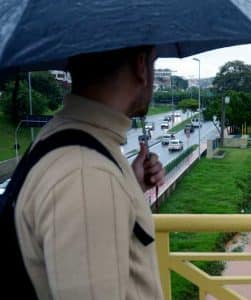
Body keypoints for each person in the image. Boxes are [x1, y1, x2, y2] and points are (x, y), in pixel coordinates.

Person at [15, 46, 165, 299]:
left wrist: (131, 187)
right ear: (141, 66)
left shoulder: (66, 138)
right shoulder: (87, 174)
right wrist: (104, 187)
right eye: (154, 63)